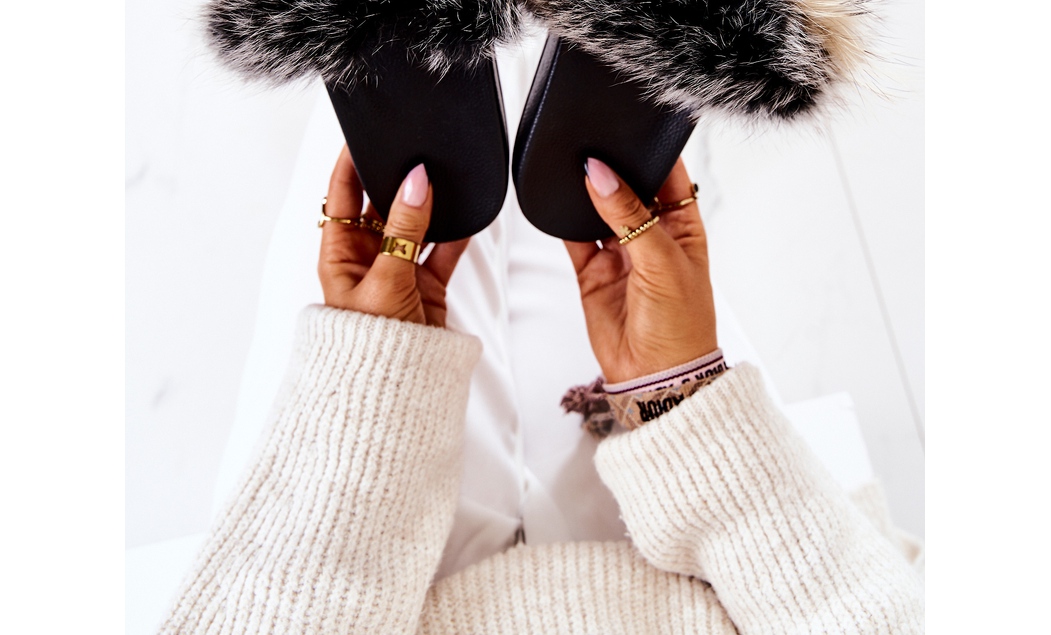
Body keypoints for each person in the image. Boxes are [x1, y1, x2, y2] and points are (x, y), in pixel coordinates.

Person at [157, 146, 924, 633]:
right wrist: (677, 393)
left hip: (359, 576)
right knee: (591, 151)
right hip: (723, 577)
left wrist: (368, 392)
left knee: (395, 133)